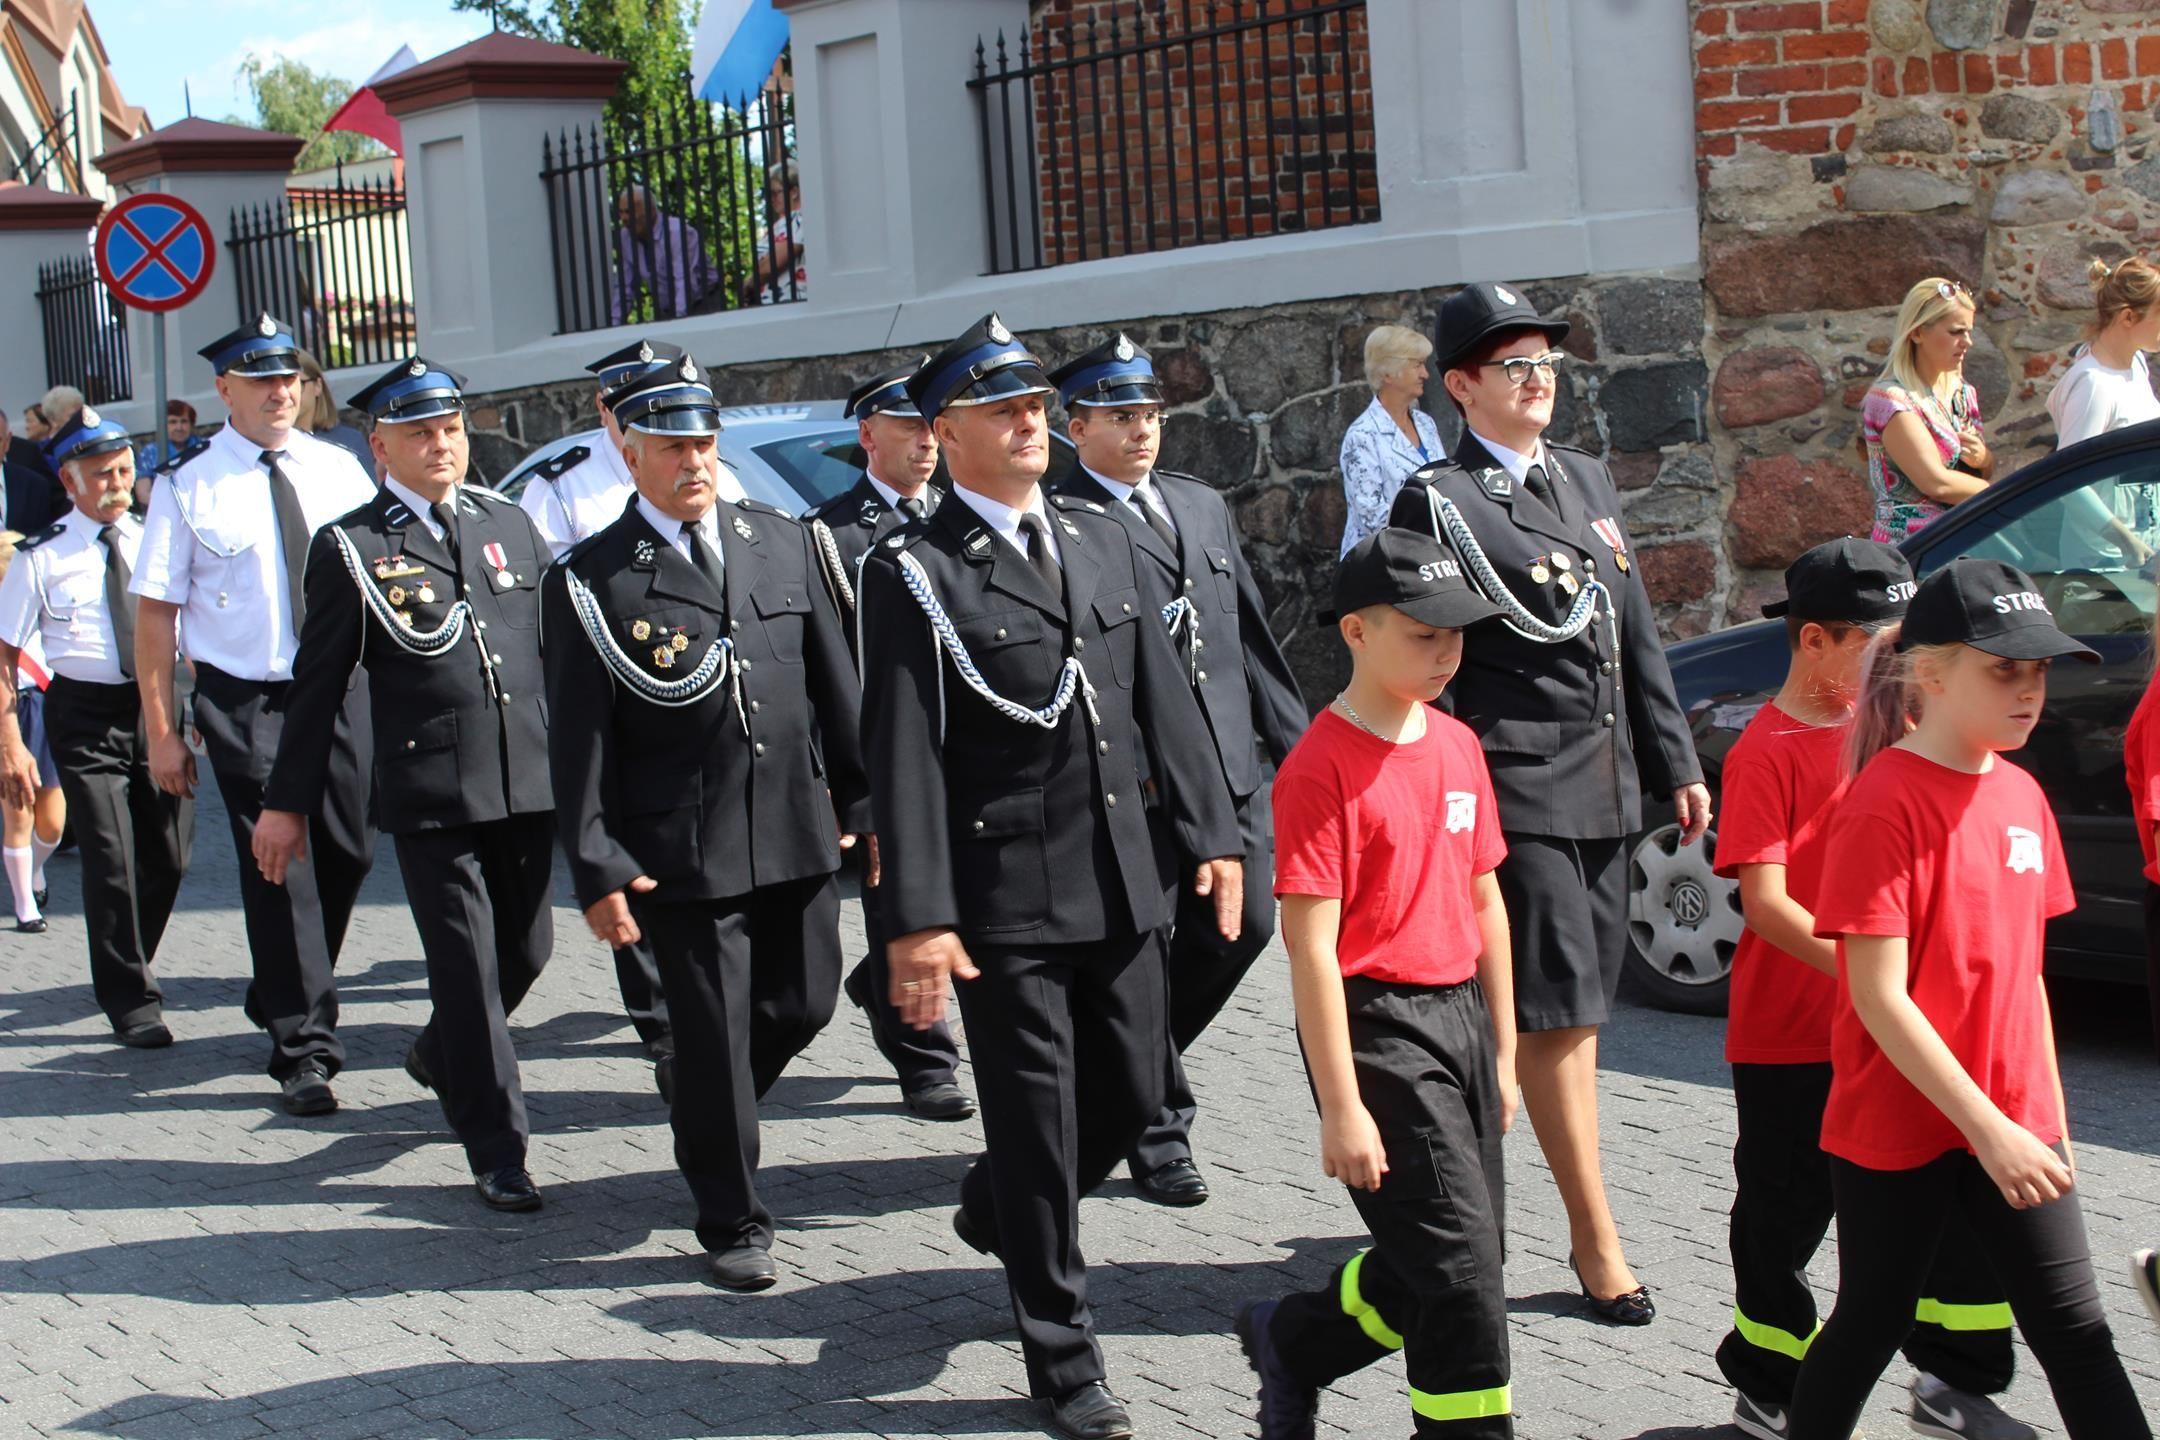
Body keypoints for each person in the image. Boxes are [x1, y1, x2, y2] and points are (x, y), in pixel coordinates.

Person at [859, 313, 1242, 1440]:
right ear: (946, 433)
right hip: (1004, 894)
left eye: (1035, 404)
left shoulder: (1097, 534)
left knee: (1131, 1093)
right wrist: (917, 919)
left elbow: (1161, 696)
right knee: (1035, 1125)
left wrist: (1213, 833)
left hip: (1124, 875)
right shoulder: (917, 573)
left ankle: (997, 1211)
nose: (1031, 423)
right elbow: (903, 752)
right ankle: (1063, 1356)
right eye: (1003, 409)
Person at [1389, 282, 1707, 1326]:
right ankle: (1594, 1236)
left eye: (1549, 364)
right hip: (1516, 789)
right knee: (1561, 1017)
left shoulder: (1580, 477)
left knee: (1565, 1017)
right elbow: (1430, 655)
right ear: (1462, 384)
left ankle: (1467, 1195)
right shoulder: (1440, 500)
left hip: (1608, 785)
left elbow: (1632, 631)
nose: (1538, 380)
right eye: (1514, 364)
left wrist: (1677, 763)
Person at [1791, 558, 2151, 1440]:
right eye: (2005, 669)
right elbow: (1879, 997)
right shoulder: (1883, 801)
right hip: (1901, 1124)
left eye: (2037, 672)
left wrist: (2043, 1121)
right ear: (1934, 673)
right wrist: (1988, 1129)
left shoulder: (2024, 794)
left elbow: (2025, 974)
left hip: (2015, 1120)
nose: (2029, 691)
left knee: (2076, 1331)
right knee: (1872, 1321)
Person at [543, 354, 868, 1290]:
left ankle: (699, 1101)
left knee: (804, 1000)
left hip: (796, 824)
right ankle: (731, 1216)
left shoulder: (783, 540)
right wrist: (596, 865)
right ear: (630, 452)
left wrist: (863, 802)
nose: (694, 459)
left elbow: (832, 684)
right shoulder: (593, 578)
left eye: (703, 441)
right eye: (672, 445)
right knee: (718, 1031)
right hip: (678, 844)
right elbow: (581, 739)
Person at [1713, 540, 2034, 1440]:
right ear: (1814, 639)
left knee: (1946, 1210)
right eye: (1878, 643)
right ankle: (1769, 1378)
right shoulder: (1766, 750)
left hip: (1896, 1032)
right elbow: (1769, 908)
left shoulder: (1909, 743)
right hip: (1793, 1038)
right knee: (1782, 1218)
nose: (1897, 663)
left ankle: (1956, 1382)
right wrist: (1870, 976)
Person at [252, 359, 555, 1212]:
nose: (440, 445)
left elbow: (550, 657)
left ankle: (439, 1052)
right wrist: (285, 805)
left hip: (526, 781)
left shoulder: (510, 523)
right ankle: (499, 1149)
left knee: (526, 955)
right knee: (464, 968)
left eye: (451, 429)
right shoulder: (352, 545)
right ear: (379, 445)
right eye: (419, 433)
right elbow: (317, 686)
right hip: (433, 792)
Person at [1236, 527, 1516, 1440]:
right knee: (1464, 1278)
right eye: (1423, 635)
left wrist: (1505, 1052)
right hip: (1379, 1028)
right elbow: (1311, 948)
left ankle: (1297, 1340)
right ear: (1355, 632)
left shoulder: (1458, 745)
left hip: (1463, 1021)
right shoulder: (1320, 767)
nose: (1446, 655)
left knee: (1450, 1255)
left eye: (1457, 636)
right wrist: (1341, 1106)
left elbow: (1486, 904)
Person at [1047, 333, 1307, 1206]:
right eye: (1120, 417)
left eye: (1151, 414)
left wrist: (1302, 755)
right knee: (1145, 955)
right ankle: (1157, 1128)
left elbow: (1250, 644)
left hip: (1233, 769)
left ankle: (1125, 1077)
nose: (1142, 431)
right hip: (1141, 781)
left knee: (1246, 930)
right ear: (1074, 426)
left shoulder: (1199, 505)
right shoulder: (1060, 521)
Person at [130, 313, 379, 1118]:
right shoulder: (185, 484)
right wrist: (162, 729)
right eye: (261, 380)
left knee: (348, 851)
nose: (281, 392)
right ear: (224, 389)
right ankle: (303, 1047)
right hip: (248, 699)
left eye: (290, 379)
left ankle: (279, 983)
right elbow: (157, 616)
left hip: (341, 687)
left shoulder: (341, 469)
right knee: (282, 861)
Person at [513, 336, 730, 1097]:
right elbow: (548, 615)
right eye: (628, 401)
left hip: (702, 719)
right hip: (617, 711)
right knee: (632, 872)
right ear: (607, 412)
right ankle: (664, 1026)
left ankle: (692, 1036)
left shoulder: (707, 470)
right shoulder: (562, 487)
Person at [804, 359, 972, 1122]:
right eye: (906, 427)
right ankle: (925, 1061)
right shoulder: (831, 535)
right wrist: (855, 786)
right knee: (897, 906)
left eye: (929, 426)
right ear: (868, 435)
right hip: (884, 757)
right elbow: (829, 671)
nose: (923, 442)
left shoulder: (961, 518)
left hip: (968, 755)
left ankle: (881, 984)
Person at [0, 411, 190, 1041]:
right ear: (69, 480)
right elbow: (3, 655)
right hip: (84, 714)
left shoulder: (155, 539)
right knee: (110, 855)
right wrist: (9, 745)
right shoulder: (40, 557)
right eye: (102, 473)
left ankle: (131, 955)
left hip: (157, 709)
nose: (116, 483)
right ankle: (131, 999)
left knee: (169, 853)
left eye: (125, 470)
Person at [2044, 257, 2160, 567]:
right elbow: (2068, 478)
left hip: (2144, 556)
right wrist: (2125, 540)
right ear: (2127, 317)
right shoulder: (2092, 384)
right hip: (2103, 563)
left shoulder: (2135, 365)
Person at [1861, 278, 1995, 544]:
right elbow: (1936, 483)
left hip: (1966, 542)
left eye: (1969, 332)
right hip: (1914, 552)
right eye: (1956, 332)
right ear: (1917, 333)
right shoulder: (1890, 399)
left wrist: (1984, 459)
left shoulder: (1963, 393)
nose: (1967, 342)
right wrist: (2007, 495)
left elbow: (1976, 475)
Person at [0, 534, 66, 935]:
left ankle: (34, 869)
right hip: (10, 712)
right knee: (18, 814)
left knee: (54, 824)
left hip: (45, 707)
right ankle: (26, 907)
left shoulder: (43, 605)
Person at [1337, 324, 1444, 557]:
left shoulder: (1426, 424)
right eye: (1417, 365)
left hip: (1431, 558)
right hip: (1381, 566)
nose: (1425, 374)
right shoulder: (1362, 436)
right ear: (1388, 373)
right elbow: (1372, 518)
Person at [608, 186, 715, 326]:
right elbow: (625, 287)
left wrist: (676, 323)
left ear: (651, 211)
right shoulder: (625, 237)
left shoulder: (677, 233)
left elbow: (684, 282)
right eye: (621, 212)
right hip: (667, 309)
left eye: (629, 212)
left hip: (703, 303)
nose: (624, 218)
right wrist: (613, 326)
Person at [293, 351, 374, 475]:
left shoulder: (348, 441)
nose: (287, 392)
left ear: (318, 386)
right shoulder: (268, 447)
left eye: (297, 384)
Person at [742, 160, 805, 305]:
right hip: (770, 301)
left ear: (794, 192)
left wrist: (750, 282)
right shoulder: (778, 225)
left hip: (790, 300)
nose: (771, 199)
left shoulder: (801, 218)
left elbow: (773, 263)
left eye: (775, 193)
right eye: (768, 194)